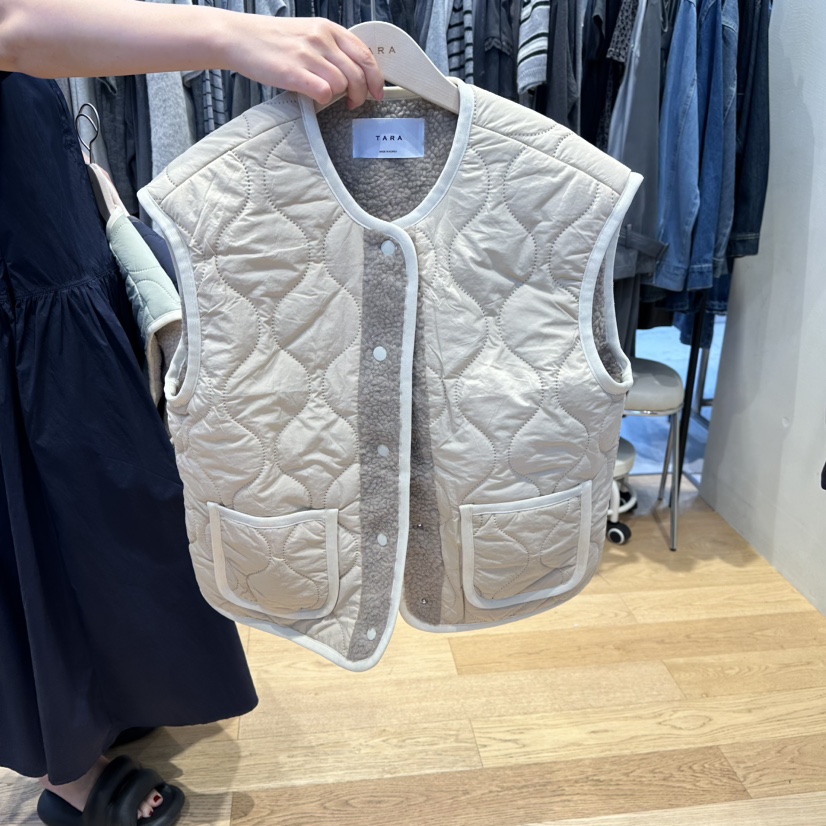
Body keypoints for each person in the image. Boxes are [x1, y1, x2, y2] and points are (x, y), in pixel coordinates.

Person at [0, 2, 383, 824]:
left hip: (34, 184)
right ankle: (69, 769)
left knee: (100, 482)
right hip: (15, 232)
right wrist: (231, 35)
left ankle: (108, 696)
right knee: (43, 490)